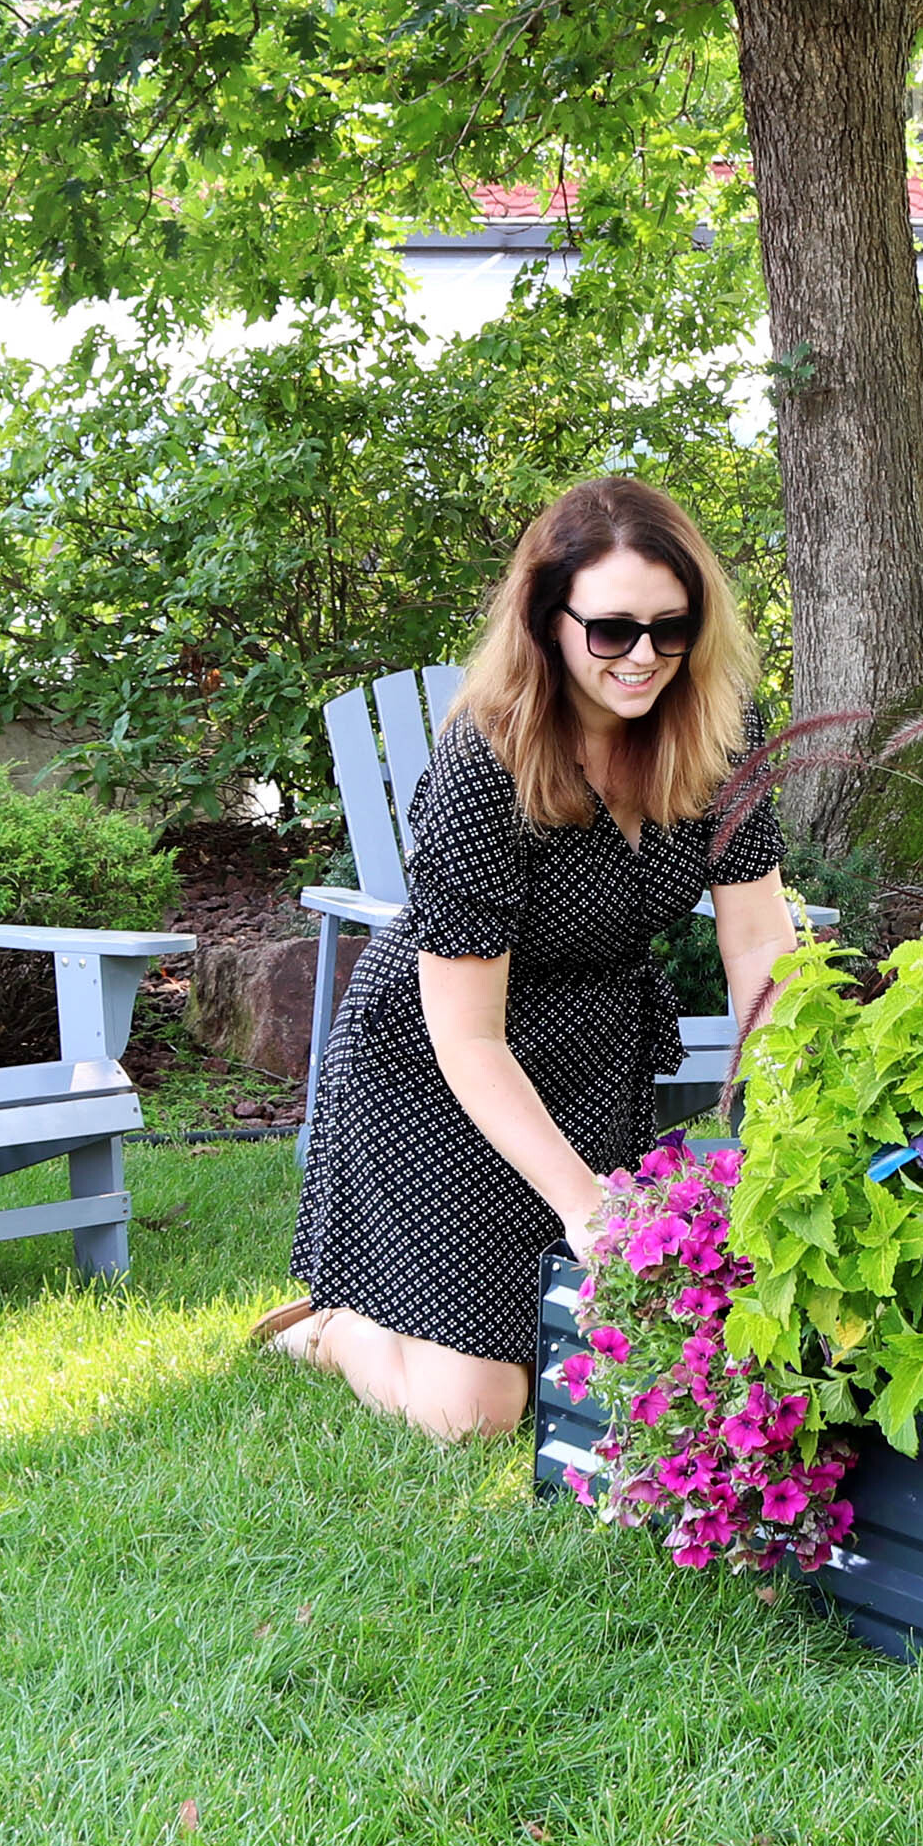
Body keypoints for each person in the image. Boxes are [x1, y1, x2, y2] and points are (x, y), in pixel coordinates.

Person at [252, 476, 797, 1438]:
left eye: (671, 629)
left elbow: (757, 936)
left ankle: (422, 1319)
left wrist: (787, 1099)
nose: (644, 657)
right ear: (550, 620)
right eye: (612, 630)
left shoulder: (720, 726)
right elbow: (468, 1038)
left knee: (595, 1354)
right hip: (436, 1070)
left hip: (593, 1059)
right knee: (477, 1412)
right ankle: (331, 1329)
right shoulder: (487, 759)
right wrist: (589, 1211)